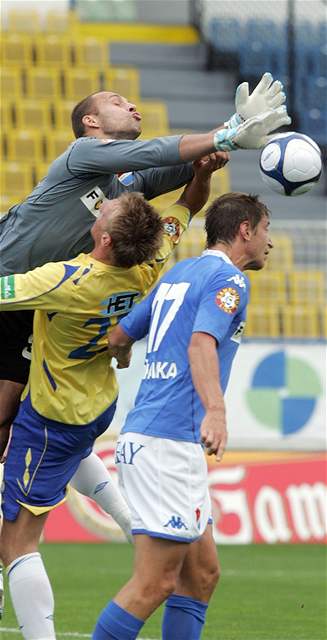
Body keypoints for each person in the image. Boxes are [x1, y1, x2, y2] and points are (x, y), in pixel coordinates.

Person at [0, 154, 226, 639]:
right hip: (99, 403)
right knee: (73, 457)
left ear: (102, 238)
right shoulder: (150, 263)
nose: (101, 206)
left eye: (105, 210)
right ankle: (131, 521)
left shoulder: (66, 281)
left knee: (17, 541)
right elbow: (187, 206)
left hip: (53, 415)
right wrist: (202, 176)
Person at [93, 192, 273, 640]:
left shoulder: (180, 273)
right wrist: (216, 411)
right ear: (246, 230)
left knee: (201, 576)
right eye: (266, 230)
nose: (270, 242)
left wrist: (127, 356)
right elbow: (200, 344)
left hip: (157, 438)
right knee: (155, 583)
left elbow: (119, 335)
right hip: (167, 444)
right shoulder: (229, 281)